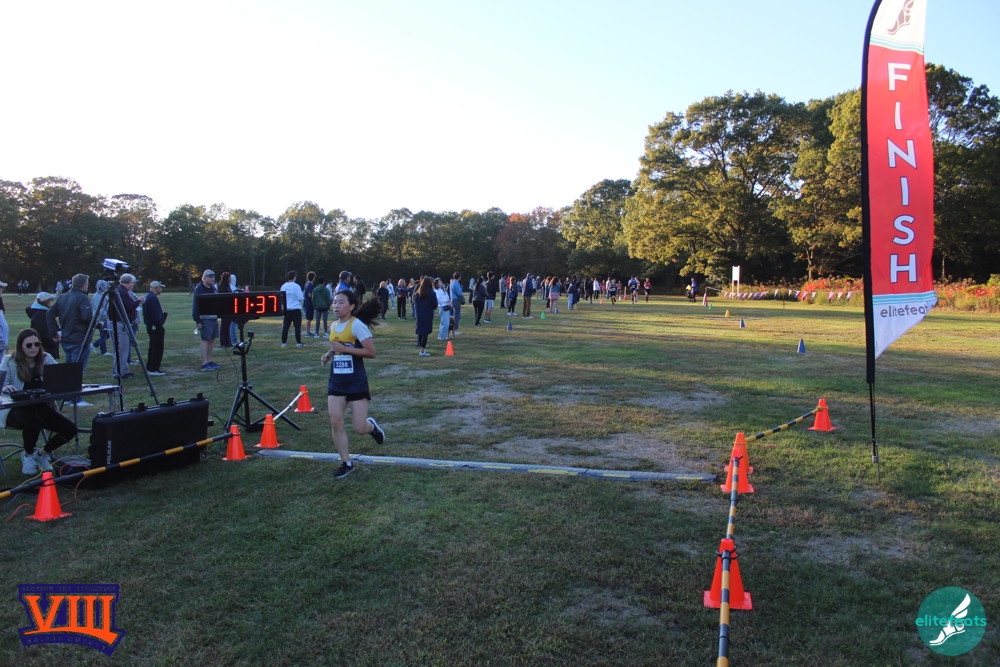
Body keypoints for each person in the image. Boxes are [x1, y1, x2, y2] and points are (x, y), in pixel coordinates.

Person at [321, 289, 385, 479]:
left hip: (356, 381)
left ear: (351, 306)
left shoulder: (357, 325)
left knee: (359, 428)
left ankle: (371, 427)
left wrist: (345, 349)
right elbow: (337, 346)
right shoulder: (333, 326)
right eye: (335, 302)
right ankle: (346, 463)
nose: (336, 306)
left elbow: (370, 352)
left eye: (341, 302)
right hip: (337, 381)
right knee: (335, 421)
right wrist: (328, 354)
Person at [0, 329, 78, 474]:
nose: (34, 348)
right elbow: (1, 384)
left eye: (36, 344)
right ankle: (28, 454)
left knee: (70, 429)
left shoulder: (46, 358)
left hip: (42, 407)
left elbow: (60, 377)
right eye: (29, 345)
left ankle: (41, 454)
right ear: (20, 346)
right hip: (15, 409)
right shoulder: (9, 360)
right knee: (32, 421)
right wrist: (5, 388)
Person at [45, 273, 93, 370]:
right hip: (79, 339)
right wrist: (97, 324)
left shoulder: (63, 297)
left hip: (66, 338)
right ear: (83, 285)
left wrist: (54, 332)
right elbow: (87, 317)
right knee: (76, 371)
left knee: (69, 370)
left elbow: (50, 314)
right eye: (87, 284)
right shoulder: (83, 297)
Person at [108, 273, 143, 380]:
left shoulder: (120, 291)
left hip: (118, 323)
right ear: (128, 283)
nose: (133, 285)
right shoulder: (122, 292)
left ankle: (122, 370)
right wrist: (139, 300)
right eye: (132, 283)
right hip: (120, 324)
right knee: (122, 349)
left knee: (120, 349)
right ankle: (120, 372)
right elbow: (129, 306)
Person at [192, 269, 221, 371]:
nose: (212, 279)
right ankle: (204, 363)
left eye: (213, 277)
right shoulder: (199, 289)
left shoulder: (213, 288)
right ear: (204, 278)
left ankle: (209, 360)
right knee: (205, 340)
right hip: (204, 319)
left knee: (212, 340)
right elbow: (196, 306)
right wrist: (197, 321)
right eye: (210, 277)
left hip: (213, 317)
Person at [142, 281, 167, 375]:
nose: (161, 289)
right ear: (156, 287)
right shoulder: (152, 298)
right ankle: (154, 368)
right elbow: (155, 315)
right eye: (160, 287)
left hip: (150, 326)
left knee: (153, 347)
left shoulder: (148, 296)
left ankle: (149, 367)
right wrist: (159, 323)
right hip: (155, 327)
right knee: (157, 348)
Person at [26, 292, 59, 359]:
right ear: (46, 301)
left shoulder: (41, 313)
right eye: (51, 300)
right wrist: (53, 341)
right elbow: (42, 333)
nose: (51, 302)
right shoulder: (40, 315)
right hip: (45, 348)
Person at [280, 270, 305, 348]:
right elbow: (300, 297)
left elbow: (281, 297)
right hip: (295, 308)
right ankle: (298, 342)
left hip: (287, 309)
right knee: (297, 327)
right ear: (294, 277)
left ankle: (284, 342)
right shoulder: (296, 286)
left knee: (285, 326)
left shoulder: (283, 286)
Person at [413, 277, 437, 355]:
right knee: (425, 333)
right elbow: (435, 306)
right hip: (428, 314)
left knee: (420, 331)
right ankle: (422, 351)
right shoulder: (432, 293)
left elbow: (415, 304)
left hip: (419, 314)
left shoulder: (417, 294)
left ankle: (420, 346)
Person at [91, 279, 112, 356]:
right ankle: (104, 351)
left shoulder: (103, 295)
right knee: (104, 334)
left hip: (104, 318)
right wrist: (107, 315)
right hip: (100, 319)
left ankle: (95, 345)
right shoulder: (98, 296)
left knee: (108, 333)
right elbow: (99, 309)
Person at [303, 271, 316, 337]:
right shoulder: (310, 285)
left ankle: (308, 331)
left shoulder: (306, 284)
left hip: (306, 303)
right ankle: (307, 332)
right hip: (309, 303)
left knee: (309, 318)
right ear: (313, 278)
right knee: (309, 318)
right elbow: (309, 295)